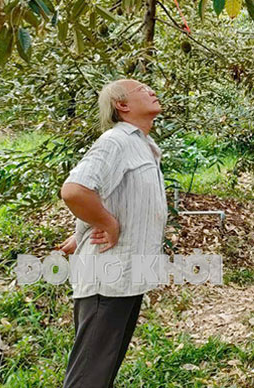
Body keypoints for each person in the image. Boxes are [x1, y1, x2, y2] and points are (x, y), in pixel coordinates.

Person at [59, 78, 166, 388]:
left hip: (126, 279)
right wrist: (108, 224)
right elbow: (75, 191)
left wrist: (82, 232)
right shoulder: (116, 141)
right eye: (141, 89)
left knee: (101, 374)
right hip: (107, 281)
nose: (151, 90)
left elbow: (112, 196)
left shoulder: (141, 144)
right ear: (123, 105)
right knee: (88, 379)